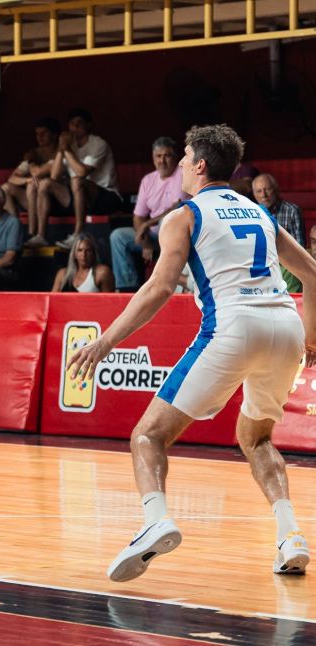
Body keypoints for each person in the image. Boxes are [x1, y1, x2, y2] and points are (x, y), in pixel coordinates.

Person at [67, 124, 315, 583]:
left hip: (233, 326)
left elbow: (159, 288)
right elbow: (313, 272)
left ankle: (155, 520)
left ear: (200, 165)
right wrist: (311, 338)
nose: (179, 165)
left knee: (148, 436)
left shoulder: (184, 215)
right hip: (285, 327)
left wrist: (104, 342)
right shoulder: (261, 213)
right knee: (257, 438)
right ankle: (291, 536)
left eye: (183, 158)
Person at [110, 137, 185, 291]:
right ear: (153, 158)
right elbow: (138, 216)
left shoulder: (181, 174)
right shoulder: (148, 180)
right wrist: (145, 241)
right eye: (158, 156)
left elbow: (175, 209)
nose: (162, 161)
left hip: (175, 235)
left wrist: (147, 224)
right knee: (118, 236)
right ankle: (127, 288)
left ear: (175, 157)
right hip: (153, 235)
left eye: (167, 156)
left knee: (166, 221)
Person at [39, 109, 121, 249]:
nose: (75, 127)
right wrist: (61, 149)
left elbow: (82, 172)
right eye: (72, 124)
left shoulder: (98, 143)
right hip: (80, 197)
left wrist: (67, 149)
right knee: (45, 183)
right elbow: (54, 176)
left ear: (88, 125)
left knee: (77, 180)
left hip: (106, 197)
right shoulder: (70, 145)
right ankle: (41, 236)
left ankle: (78, 233)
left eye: (79, 123)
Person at [3, 117, 61, 247]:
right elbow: (12, 178)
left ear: (54, 135)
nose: (39, 137)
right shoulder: (35, 153)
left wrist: (30, 161)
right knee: (5, 188)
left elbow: (36, 172)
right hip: (34, 201)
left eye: (44, 133)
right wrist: (27, 179)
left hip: (54, 202)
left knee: (33, 185)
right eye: (37, 134)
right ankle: (16, 229)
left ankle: (34, 234)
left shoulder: (59, 153)